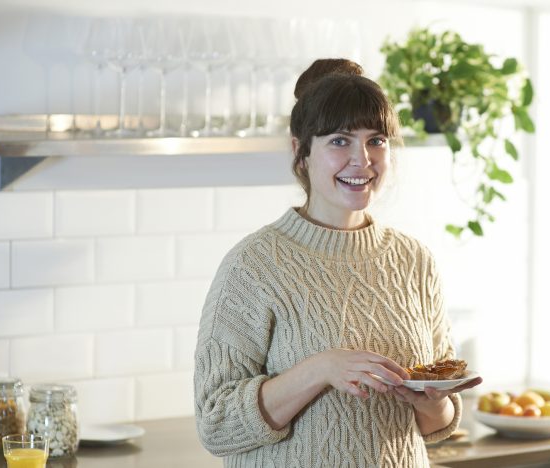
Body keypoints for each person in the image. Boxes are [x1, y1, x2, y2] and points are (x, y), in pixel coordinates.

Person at [194, 58, 482, 467]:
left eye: (376, 140)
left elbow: (440, 421)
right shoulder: (253, 265)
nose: (362, 160)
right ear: (301, 151)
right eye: (339, 141)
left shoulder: (414, 260)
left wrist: (433, 403)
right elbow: (215, 423)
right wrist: (320, 370)